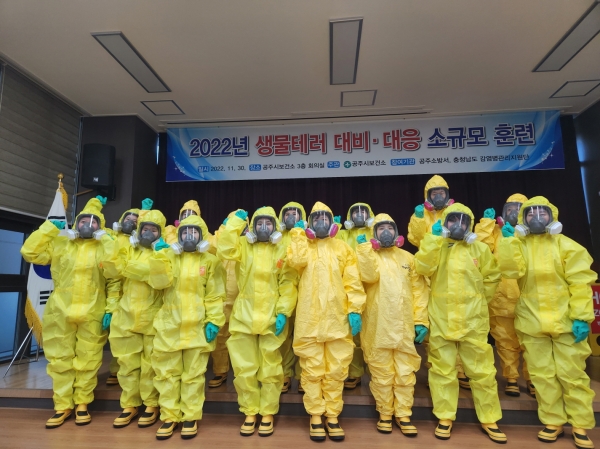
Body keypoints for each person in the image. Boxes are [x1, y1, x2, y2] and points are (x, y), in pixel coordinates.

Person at [498, 196, 596, 449]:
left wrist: (581, 316)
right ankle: (553, 421)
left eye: (542, 213)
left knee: (572, 375)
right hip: (532, 321)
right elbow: (511, 271)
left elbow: (580, 284)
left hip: (566, 322)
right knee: (542, 376)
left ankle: (580, 424)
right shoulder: (519, 245)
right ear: (523, 219)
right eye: (530, 214)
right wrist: (508, 242)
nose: (536, 218)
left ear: (552, 216)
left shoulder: (568, 246)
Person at [20, 196, 118, 428]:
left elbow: (115, 275)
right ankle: (62, 405)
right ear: (76, 222)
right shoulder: (61, 244)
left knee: (88, 359)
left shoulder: (104, 247)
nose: (88, 225)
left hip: (93, 311)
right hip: (60, 311)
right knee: (60, 360)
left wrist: (111, 308)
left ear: (100, 226)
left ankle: (82, 403)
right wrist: (47, 229)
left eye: (94, 222)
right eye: (84, 220)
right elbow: (30, 252)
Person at [414, 203, 506, 443]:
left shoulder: (480, 249)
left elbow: (492, 277)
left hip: (473, 322)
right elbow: (422, 267)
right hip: (441, 319)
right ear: (445, 222)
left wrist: (479, 301)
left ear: (470, 224)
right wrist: (432, 239)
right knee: (442, 372)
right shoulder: (436, 246)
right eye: (453, 220)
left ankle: (489, 418)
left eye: (464, 221)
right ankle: (445, 417)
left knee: (483, 372)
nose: (459, 225)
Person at [287, 202, 366, 442]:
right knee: (312, 371)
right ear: (309, 223)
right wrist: (298, 234)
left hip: (336, 319)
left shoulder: (343, 248)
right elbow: (296, 261)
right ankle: (315, 416)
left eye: (325, 218)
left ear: (333, 222)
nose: (321, 222)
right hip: (309, 320)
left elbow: (353, 282)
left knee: (336, 370)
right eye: (316, 219)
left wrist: (355, 309)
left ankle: (332, 415)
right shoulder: (303, 246)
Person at [218, 207, 298, 437]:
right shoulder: (243, 245)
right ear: (252, 227)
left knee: (271, 368)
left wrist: (283, 311)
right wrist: (235, 223)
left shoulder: (282, 247)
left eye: (268, 224)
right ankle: (250, 411)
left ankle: (268, 412)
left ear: (275, 226)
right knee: (244, 368)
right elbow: (225, 248)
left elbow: (288, 282)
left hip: (271, 315)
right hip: (244, 314)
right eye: (259, 224)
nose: (264, 228)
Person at [147, 215, 226, 440]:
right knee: (167, 374)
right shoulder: (168, 256)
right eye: (184, 232)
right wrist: (159, 258)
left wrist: (214, 321)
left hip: (197, 326)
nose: (189, 237)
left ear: (202, 236)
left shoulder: (210, 261)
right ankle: (169, 416)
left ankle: (190, 416)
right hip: (169, 325)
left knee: (193, 375)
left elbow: (215, 295)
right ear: (178, 235)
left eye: (194, 233)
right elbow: (158, 284)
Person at [355, 213, 429, 436]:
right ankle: (385, 414)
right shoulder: (368, 256)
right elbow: (368, 277)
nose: (385, 232)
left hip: (404, 325)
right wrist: (364, 251)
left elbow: (419, 292)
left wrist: (421, 320)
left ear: (396, 232)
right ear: (374, 233)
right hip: (377, 326)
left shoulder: (408, 258)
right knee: (381, 373)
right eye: (381, 229)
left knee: (405, 373)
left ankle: (403, 414)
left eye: (389, 228)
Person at [103, 209, 168, 430]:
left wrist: (135, 269)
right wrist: (145, 271)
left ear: (161, 233)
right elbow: (114, 271)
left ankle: (151, 404)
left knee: (152, 365)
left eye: (153, 230)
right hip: (126, 315)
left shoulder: (165, 252)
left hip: (153, 315)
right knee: (127, 365)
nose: (148, 233)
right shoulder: (128, 249)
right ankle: (130, 404)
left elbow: (161, 281)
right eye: (145, 228)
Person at [407, 175, 468, 389]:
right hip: (428, 268)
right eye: (435, 193)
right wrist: (418, 219)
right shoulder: (421, 214)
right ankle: (436, 369)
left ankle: (459, 370)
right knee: (431, 324)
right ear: (428, 196)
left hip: (453, 267)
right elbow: (415, 239)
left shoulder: (456, 212)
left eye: (442, 192)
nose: (439, 196)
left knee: (456, 322)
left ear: (447, 194)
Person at [475, 194, 533, 397]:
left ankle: (533, 379)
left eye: (518, 208)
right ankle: (511, 379)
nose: (513, 212)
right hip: (501, 297)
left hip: (527, 297)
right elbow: (481, 248)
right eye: (509, 209)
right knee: (505, 342)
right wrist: (486, 223)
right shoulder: (496, 231)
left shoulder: (532, 234)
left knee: (532, 343)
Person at [105, 198, 154, 387]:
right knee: (121, 340)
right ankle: (115, 370)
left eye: (135, 221)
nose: (131, 223)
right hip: (119, 293)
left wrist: (130, 269)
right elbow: (115, 270)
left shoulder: (152, 250)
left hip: (140, 297)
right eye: (128, 219)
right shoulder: (111, 237)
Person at [204, 211, 249, 389]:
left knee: (242, 340)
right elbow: (211, 246)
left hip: (242, 301)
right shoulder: (221, 242)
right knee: (220, 338)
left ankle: (243, 375)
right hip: (221, 298)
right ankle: (220, 371)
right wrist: (224, 229)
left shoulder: (247, 244)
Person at [337, 202, 375, 390]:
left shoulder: (376, 232)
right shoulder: (343, 235)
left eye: (363, 212)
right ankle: (354, 372)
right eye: (355, 212)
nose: (359, 215)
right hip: (349, 287)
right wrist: (336, 229)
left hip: (373, 287)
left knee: (373, 332)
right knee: (352, 335)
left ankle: (378, 374)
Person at [277, 202, 306, 393]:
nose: (291, 217)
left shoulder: (307, 236)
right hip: (283, 292)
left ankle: (304, 376)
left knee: (305, 336)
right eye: (287, 214)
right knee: (284, 338)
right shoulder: (276, 237)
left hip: (305, 292)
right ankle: (285, 373)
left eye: (295, 214)